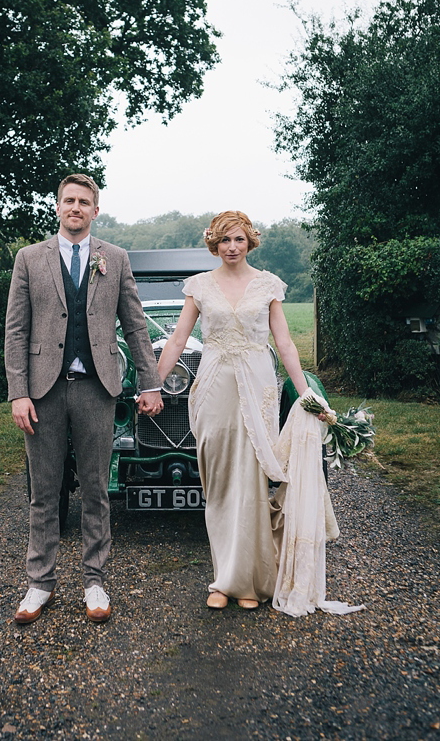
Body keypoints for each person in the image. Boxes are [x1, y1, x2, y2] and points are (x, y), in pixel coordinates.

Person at [156, 210, 337, 614]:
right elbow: (177, 340)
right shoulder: (199, 286)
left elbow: (286, 344)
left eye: (238, 239)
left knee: (252, 484)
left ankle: (251, 581)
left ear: (249, 241)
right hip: (214, 390)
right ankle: (224, 580)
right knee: (220, 485)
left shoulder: (269, 284)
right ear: (214, 245)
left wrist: (307, 395)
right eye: (224, 241)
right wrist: (152, 384)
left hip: (258, 390)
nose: (231, 247)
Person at [5, 173, 163, 625]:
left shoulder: (114, 258)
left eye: (84, 202)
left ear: (96, 210)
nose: (75, 207)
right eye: (68, 200)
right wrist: (18, 392)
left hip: (98, 388)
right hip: (43, 390)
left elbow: (134, 325)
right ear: (57, 207)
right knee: (44, 491)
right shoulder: (29, 259)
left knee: (96, 489)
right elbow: (16, 330)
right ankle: (39, 584)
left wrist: (149, 382)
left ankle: (95, 579)